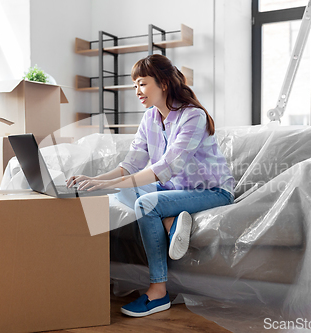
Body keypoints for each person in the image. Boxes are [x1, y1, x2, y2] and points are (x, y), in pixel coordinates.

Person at [66, 54, 234, 317]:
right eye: (135, 86)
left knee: (145, 202)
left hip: (211, 191)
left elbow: (167, 167)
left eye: (142, 84)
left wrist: (113, 183)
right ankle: (171, 222)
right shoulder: (150, 119)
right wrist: (96, 180)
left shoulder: (193, 117)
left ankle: (158, 292)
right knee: (120, 188)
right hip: (173, 192)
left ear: (163, 83)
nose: (137, 91)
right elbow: (131, 164)